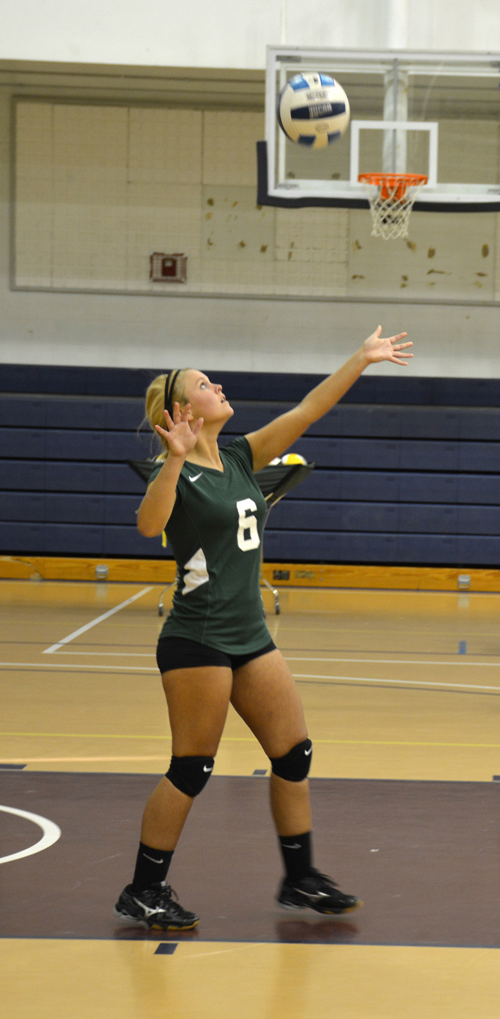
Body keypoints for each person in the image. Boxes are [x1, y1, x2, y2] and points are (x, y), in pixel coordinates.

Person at [114, 325, 414, 931]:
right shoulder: (174, 472)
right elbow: (149, 527)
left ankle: (299, 878)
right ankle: (144, 889)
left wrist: (361, 358)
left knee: (293, 754)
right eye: (204, 384)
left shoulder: (239, 455)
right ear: (181, 411)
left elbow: (308, 410)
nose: (217, 385)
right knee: (192, 768)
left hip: (250, 637)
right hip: (196, 638)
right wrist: (173, 459)